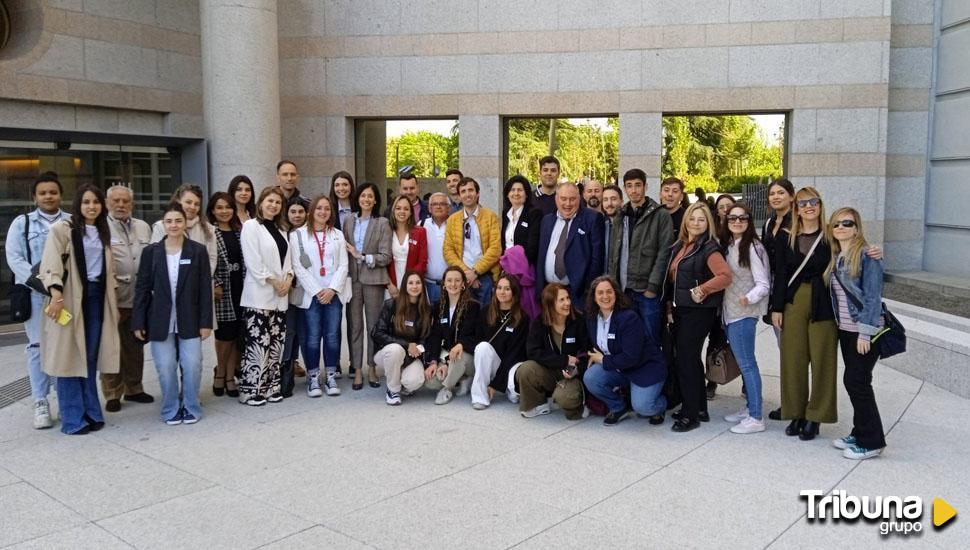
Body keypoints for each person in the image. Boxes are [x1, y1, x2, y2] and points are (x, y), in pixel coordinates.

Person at [39, 184, 120, 435]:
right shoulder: (63, 229)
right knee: (68, 357)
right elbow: (50, 264)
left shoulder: (105, 231)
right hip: (69, 297)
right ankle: (73, 419)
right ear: (78, 204)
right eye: (86, 202)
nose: (91, 206)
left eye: (96, 202)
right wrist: (56, 294)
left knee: (91, 356)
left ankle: (92, 412)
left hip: (97, 297)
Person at [132, 204, 213, 425]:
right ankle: (170, 408)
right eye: (169, 221)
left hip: (190, 318)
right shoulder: (151, 252)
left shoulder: (197, 251)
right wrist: (138, 321)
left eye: (178, 220)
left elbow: (205, 288)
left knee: (193, 364)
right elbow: (141, 288)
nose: (174, 225)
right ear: (163, 224)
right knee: (166, 367)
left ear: (185, 223)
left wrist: (206, 322)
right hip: (160, 320)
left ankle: (190, 405)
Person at [770, 187, 837, 441]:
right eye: (802, 203)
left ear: (820, 205)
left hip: (823, 302)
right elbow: (781, 275)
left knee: (823, 360)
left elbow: (854, 252)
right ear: (796, 208)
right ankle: (796, 411)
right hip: (794, 301)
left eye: (813, 202)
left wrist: (874, 253)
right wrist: (776, 308)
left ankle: (815, 416)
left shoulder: (831, 235)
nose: (808, 206)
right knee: (793, 359)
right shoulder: (786, 236)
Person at [5, 171, 70, 429]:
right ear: (35, 196)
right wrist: (42, 284)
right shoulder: (22, 224)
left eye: (53, 192)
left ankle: (64, 398)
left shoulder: (71, 222)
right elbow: (14, 258)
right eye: (43, 193)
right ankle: (40, 401)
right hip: (33, 294)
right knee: (36, 347)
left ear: (60, 195)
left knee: (64, 346)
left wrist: (60, 289)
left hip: (64, 296)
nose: (48, 197)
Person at [665, 202, 732, 432]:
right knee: (690, 359)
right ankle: (699, 407)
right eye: (692, 219)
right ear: (685, 221)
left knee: (686, 359)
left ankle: (690, 414)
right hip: (681, 309)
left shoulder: (709, 248)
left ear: (708, 224)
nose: (696, 223)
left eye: (701, 220)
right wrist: (669, 307)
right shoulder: (681, 245)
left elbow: (725, 276)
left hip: (698, 311)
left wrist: (703, 289)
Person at [827, 208, 887, 460]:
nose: (840, 227)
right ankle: (859, 431)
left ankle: (873, 441)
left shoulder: (867, 255)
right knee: (856, 381)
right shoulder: (838, 255)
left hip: (864, 331)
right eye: (836, 223)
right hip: (846, 331)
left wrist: (865, 333)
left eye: (847, 223)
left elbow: (873, 297)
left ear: (857, 228)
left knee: (856, 382)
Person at [584, 276, 667, 425]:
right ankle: (618, 407)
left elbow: (631, 357)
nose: (605, 296)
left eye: (609, 292)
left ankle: (661, 404)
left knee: (643, 408)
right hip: (619, 368)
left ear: (616, 294)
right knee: (591, 377)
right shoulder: (592, 318)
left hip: (644, 368)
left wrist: (602, 360)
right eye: (600, 293)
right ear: (594, 297)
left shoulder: (628, 318)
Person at [291, 196, 351, 398]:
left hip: (333, 294)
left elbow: (343, 265)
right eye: (319, 208)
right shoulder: (297, 235)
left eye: (327, 209)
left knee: (333, 336)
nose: (323, 212)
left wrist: (332, 289)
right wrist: (318, 291)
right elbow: (298, 266)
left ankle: (331, 374)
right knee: (312, 337)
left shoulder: (337, 235)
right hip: (312, 295)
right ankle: (313, 376)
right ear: (311, 211)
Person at [238, 187, 293, 406]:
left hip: (280, 296)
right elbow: (253, 261)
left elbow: (288, 261)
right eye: (270, 201)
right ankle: (252, 390)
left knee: (275, 343)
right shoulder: (251, 227)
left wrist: (288, 281)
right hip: (259, 295)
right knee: (258, 344)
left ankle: (272, 386)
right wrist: (274, 281)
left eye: (278, 203)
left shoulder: (281, 229)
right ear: (261, 203)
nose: (274, 205)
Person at [102, 185, 154, 413]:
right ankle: (113, 392)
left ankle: (134, 387)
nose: (121, 205)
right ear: (107, 203)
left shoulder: (143, 227)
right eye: (116, 201)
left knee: (135, 345)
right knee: (112, 347)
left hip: (138, 297)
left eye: (125, 201)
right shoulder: (101, 228)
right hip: (113, 298)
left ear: (132, 204)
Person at [608, 169, 674, 346]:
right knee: (629, 340)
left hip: (647, 291)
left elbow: (664, 253)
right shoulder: (620, 215)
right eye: (629, 186)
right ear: (625, 188)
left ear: (646, 186)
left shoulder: (661, 215)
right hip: (624, 290)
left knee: (651, 339)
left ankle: (654, 373)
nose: (634, 190)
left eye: (638, 185)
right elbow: (614, 253)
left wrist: (652, 287)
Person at [719, 203, 770, 434]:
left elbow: (763, 283)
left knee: (748, 365)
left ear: (749, 221)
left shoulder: (752, 247)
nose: (737, 222)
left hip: (743, 314)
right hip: (731, 314)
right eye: (732, 218)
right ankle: (750, 407)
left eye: (743, 218)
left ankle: (756, 416)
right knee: (744, 363)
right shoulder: (730, 245)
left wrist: (747, 299)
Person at [343, 182, 392, 390]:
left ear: (375, 200)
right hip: (352, 280)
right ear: (358, 198)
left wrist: (362, 256)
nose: (366, 199)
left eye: (370, 196)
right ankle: (356, 369)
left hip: (373, 280)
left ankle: (372, 366)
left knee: (373, 326)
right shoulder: (348, 221)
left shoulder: (382, 223)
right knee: (355, 325)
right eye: (363, 196)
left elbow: (385, 256)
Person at [516, 283, 588, 419]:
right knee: (525, 369)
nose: (567, 303)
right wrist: (564, 360)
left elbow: (587, 352)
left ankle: (578, 406)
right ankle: (537, 404)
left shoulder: (579, 320)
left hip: (573, 375)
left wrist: (576, 368)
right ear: (550, 303)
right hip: (551, 370)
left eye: (568, 298)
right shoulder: (540, 322)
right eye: (561, 300)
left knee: (564, 398)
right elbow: (532, 351)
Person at [536, 182, 604, 306]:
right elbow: (541, 254)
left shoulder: (593, 219)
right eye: (563, 199)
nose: (568, 204)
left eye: (572, 199)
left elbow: (597, 259)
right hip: (548, 291)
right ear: (556, 199)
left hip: (577, 293)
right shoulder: (546, 220)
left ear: (579, 199)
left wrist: (587, 288)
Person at [371, 270, 432, 405]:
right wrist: (406, 345)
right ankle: (393, 390)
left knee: (415, 381)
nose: (414, 286)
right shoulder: (391, 305)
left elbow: (426, 340)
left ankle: (400, 381)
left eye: (418, 283)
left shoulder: (426, 310)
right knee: (395, 350)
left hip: (411, 356)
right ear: (404, 285)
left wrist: (417, 350)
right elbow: (377, 333)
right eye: (410, 283)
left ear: (422, 286)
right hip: (387, 352)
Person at [470, 273, 529, 410]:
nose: (502, 292)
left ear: (514, 292)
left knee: (514, 396)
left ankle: (507, 386)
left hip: (511, 364)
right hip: (490, 362)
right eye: (499, 288)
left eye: (507, 289)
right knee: (482, 347)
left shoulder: (522, 317)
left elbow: (515, 353)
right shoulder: (486, 311)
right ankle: (480, 397)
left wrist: (496, 384)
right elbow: (478, 342)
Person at [425, 266, 480, 405]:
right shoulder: (438, 307)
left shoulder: (472, 306)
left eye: (457, 280)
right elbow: (436, 337)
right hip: (448, 355)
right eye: (449, 280)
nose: (453, 284)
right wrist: (436, 362)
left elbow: (475, 336)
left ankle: (447, 388)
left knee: (457, 358)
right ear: (444, 284)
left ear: (463, 284)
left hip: (467, 357)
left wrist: (458, 349)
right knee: (431, 382)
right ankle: (462, 379)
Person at [207, 192, 244, 398]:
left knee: (236, 335)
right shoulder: (209, 232)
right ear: (212, 210)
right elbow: (205, 261)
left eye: (228, 207)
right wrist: (214, 283)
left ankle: (230, 377)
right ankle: (220, 372)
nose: (224, 211)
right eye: (219, 207)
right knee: (224, 335)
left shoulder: (240, 231)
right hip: (222, 289)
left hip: (241, 286)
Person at [443, 177, 501, 306]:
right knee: (463, 317)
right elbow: (448, 250)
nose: (467, 194)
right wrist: (467, 273)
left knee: (484, 317)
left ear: (477, 193)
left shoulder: (490, 216)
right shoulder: (452, 220)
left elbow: (495, 249)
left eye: (471, 190)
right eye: (463, 191)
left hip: (486, 277)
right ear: (459, 196)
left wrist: (475, 272)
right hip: (461, 277)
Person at [151, 184, 217, 277]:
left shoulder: (208, 229)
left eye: (197, 204)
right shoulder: (161, 227)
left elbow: (211, 259)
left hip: (198, 285)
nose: (192, 207)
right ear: (178, 201)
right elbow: (155, 258)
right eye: (188, 202)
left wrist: (199, 280)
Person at [280, 199, 308, 396]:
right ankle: (286, 373)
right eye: (293, 212)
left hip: (305, 288)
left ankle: (303, 366)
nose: (297, 215)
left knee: (302, 331)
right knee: (289, 330)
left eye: (300, 211)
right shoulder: (282, 234)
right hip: (285, 288)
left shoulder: (308, 234)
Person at [387, 195, 428, 298]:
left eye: (406, 209)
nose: (402, 211)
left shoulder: (420, 232)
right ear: (393, 211)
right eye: (398, 208)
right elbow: (382, 262)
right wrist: (389, 285)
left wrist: (410, 283)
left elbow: (422, 262)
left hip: (413, 285)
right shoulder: (386, 231)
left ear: (410, 212)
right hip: (391, 285)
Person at [501, 175, 542, 264]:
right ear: (507, 194)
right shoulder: (506, 213)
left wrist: (514, 264)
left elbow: (532, 249)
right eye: (512, 190)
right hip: (505, 265)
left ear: (526, 194)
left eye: (520, 190)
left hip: (523, 266)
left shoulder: (534, 214)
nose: (516, 193)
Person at [419, 193, 450, 304]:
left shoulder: (455, 224)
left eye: (442, 204)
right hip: (428, 284)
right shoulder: (421, 225)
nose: (438, 206)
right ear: (429, 208)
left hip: (451, 286)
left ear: (448, 207)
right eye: (434, 204)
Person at [601, 185, 623, 275]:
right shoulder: (600, 225)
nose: (609, 203)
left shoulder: (628, 225)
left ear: (621, 202)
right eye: (605, 200)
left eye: (613, 199)